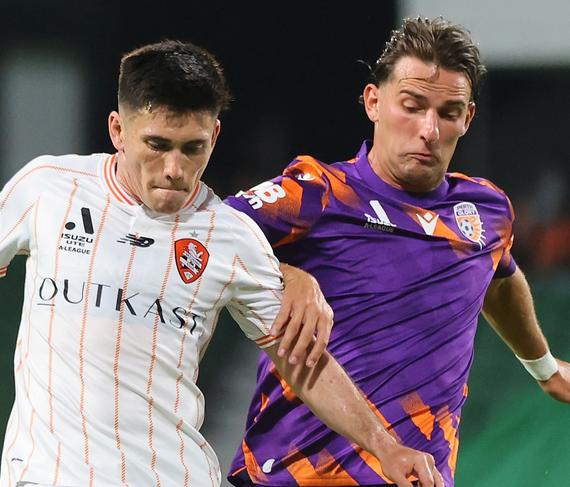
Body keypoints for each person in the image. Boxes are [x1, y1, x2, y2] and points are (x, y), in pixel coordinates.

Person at [0, 41, 442, 487]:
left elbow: (305, 365)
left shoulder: (232, 238)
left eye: (193, 148)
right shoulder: (49, 188)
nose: (175, 169)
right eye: (157, 145)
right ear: (118, 130)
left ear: (214, 137)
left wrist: (385, 446)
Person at [225, 17, 570, 487]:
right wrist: (285, 273)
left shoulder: (485, 211)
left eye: (448, 113)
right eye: (412, 106)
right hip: (297, 476)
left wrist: (544, 367)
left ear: (467, 119)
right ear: (373, 101)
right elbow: (208, 233)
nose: (429, 128)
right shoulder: (319, 191)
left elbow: (499, 278)